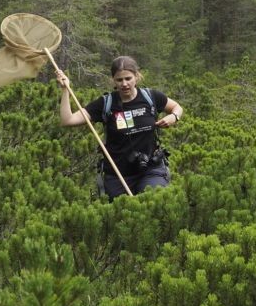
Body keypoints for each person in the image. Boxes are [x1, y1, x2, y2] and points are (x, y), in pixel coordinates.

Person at [56, 55, 182, 199]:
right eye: (119, 80)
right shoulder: (105, 103)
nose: (124, 84)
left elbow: (177, 107)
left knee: (153, 201)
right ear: (113, 80)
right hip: (117, 175)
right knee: (123, 216)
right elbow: (68, 120)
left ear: (137, 77)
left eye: (128, 78)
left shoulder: (151, 97)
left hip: (151, 169)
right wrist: (65, 90)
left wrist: (174, 116)